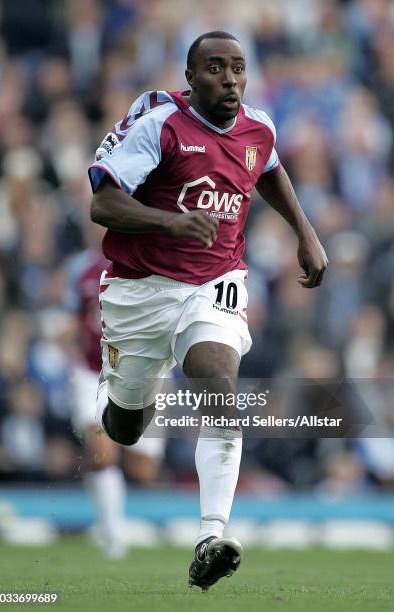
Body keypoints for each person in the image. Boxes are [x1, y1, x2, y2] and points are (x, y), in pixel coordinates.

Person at [88, 31, 328, 589]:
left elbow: (267, 167)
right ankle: (135, 396)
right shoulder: (160, 124)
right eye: (216, 68)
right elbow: (102, 202)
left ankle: (210, 537)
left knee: (219, 386)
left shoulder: (258, 126)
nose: (230, 79)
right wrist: (172, 222)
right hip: (139, 289)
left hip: (215, 280)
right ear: (191, 77)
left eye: (238, 68)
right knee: (123, 430)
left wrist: (305, 232)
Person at [67, 242, 164, 559]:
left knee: (144, 468)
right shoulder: (85, 272)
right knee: (101, 450)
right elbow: (75, 318)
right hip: (92, 373)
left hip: (142, 373)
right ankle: (112, 535)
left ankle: (106, 507)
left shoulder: (155, 269)